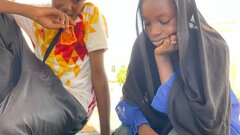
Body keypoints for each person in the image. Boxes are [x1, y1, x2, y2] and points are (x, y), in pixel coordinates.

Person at [114, 0, 240, 135]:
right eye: (147, 22)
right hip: (158, 124)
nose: (153, 31)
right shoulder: (142, 46)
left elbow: (191, 119)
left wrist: (162, 59)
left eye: (164, 20)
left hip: (206, 126)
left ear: (184, 14)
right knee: (123, 131)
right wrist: (142, 126)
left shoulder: (211, 48)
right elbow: (130, 98)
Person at [0, 0, 110, 135]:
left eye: (76, 1)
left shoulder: (89, 14)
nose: (69, 8)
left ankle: (8, 117)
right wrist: (34, 14)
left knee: (6, 125)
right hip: (35, 77)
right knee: (3, 19)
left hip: (69, 96)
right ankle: (4, 102)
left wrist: (105, 132)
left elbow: (99, 75)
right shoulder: (42, 12)